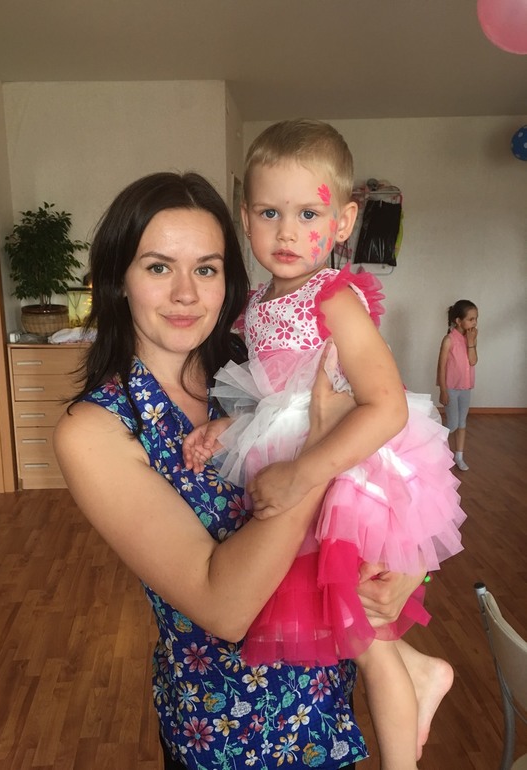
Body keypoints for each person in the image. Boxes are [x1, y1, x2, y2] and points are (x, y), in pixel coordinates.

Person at [53, 171, 423, 770]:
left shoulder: (259, 364)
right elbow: (225, 607)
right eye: (157, 267)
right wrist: (314, 451)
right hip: (228, 736)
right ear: (118, 279)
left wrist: (410, 570)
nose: (185, 293)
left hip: (326, 711)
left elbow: (388, 450)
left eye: (206, 269)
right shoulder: (98, 430)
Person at [183, 121, 464, 770]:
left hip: (344, 475)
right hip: (304, 463)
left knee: (369, 642)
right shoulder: (255, 304)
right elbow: (273, 396)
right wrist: (227, 425)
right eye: (269, 213)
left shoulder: (335, 299)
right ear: (245, 219)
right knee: (362, 631)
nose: (287, 232)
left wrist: (300, 474)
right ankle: (421, 672)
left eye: (307, 214)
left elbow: (386, 405)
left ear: (343, 222)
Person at [437, 300, 479, 471]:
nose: (474, 322)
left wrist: (471, 341)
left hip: (466, 388)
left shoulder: (471, 338)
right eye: (471, 319)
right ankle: (433, 445)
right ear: (458, 321)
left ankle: (459, 456)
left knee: (462, 423)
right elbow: (441, 367)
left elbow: (473, 361)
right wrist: (443, 390)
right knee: (453, 424)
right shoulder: (449, 340)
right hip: (451, 389)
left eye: (476, 319)